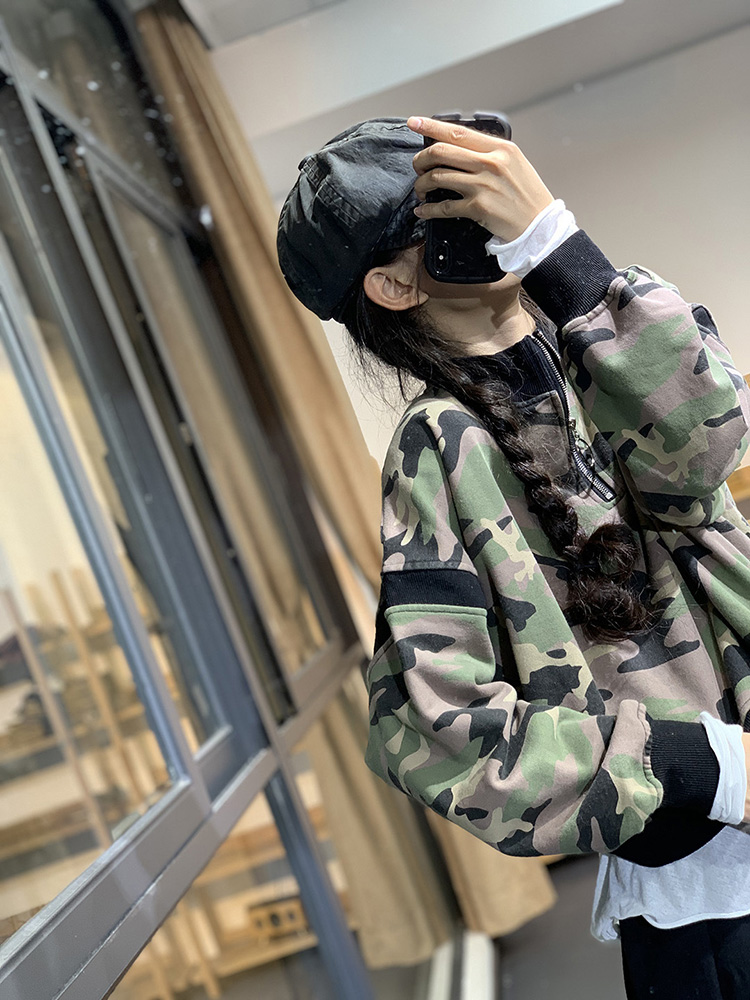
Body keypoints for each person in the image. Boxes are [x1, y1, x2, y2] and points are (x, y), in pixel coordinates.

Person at [276, 115, 750, 999]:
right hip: (714, 896)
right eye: (443, 212)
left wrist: (559, 249)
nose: (483, 216)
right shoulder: (439, 446)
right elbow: (438, 724)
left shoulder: (600, 339)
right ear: (392, 283)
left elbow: (709, 442)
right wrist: (698, 767)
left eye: (478, 191)